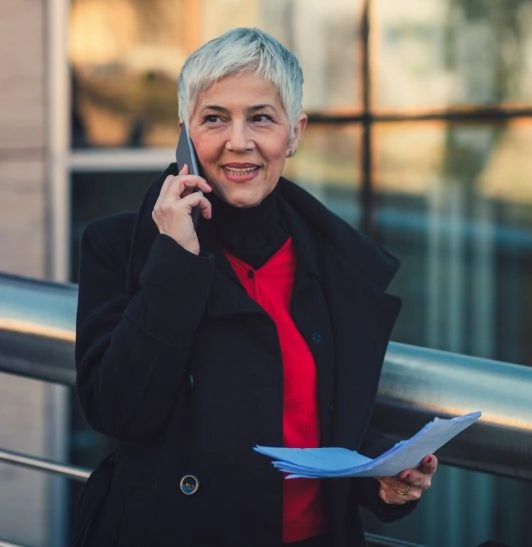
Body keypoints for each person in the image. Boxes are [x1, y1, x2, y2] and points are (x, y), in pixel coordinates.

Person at [72, 27, 437, 547]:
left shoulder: (331, 260)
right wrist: (175, 259)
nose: (238, 141)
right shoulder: (119, 247)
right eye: (214, 118)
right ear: (185, 133)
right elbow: (118, 409)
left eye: (261, 118)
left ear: (295, 133)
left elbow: (314, 413)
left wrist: (381, 473)